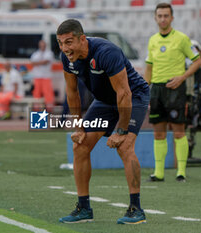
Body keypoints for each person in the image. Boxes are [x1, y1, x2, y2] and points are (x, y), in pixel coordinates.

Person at [57, 19, 150, 224]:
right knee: (79, 146)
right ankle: (84, 208)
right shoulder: (67, 58)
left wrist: (121, 131)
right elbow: (72, 93)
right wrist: (79, 127)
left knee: (125, 147)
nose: (65, 48)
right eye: (61, 43)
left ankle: (136, 209)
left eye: (69, 42)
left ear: (82, 39)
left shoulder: (107, 52)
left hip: (133, 96)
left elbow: (124, 93)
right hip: (105, 101)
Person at [145, 3, 201, 182]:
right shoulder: (152, 40)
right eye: (160, 16)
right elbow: (149, 67)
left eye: (166, 16)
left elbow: (197, 61)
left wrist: (182, 77)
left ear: (172, 18)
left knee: (178, 131)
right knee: (158, 133)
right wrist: (146, 91)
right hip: (157, 90)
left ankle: (181, 172)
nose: (163, 19)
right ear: (155, 18)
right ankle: (159, 172)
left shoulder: (182, 39)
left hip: (175, 89)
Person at [30, 40, 55, 110]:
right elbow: (32, 63)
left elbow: (46, 62)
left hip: (46, 76)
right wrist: (41, 62)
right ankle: (36, 108)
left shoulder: (49, 53)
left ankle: (49, 108)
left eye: (43, 45)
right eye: (41, 45)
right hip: (37, 76)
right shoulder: (36, 54)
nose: (42, 46)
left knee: (48, 93)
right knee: (36, 93)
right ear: (39, 45)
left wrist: (37, 63)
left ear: (45, 45)